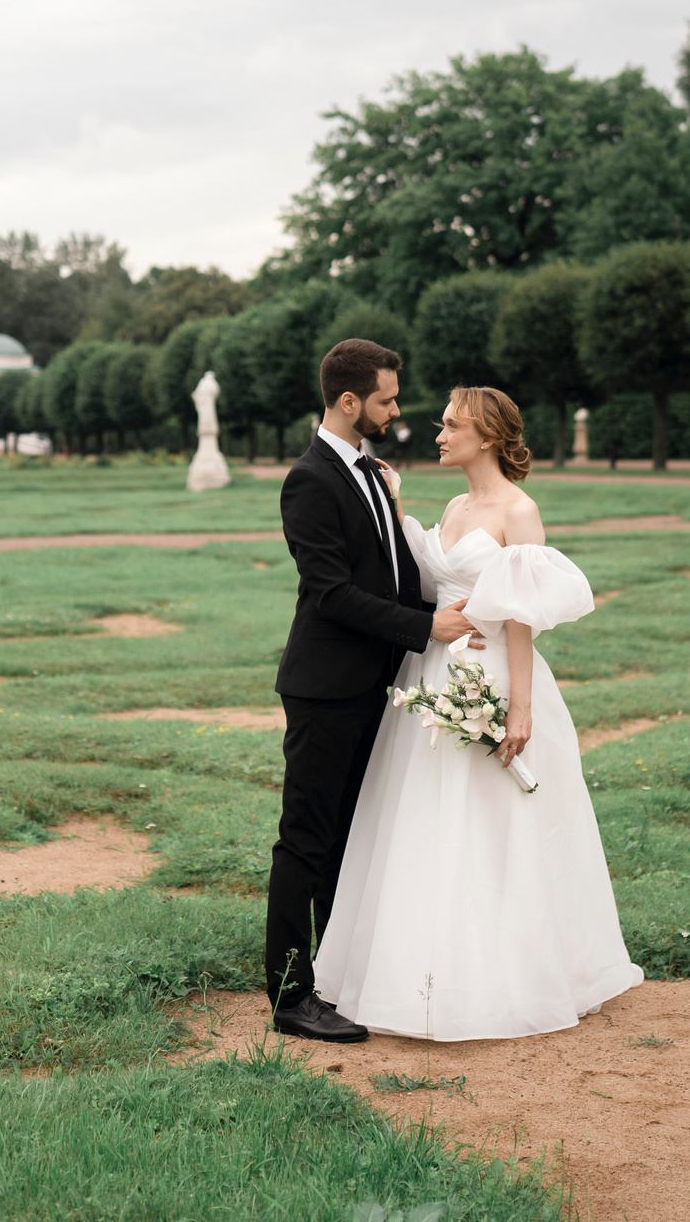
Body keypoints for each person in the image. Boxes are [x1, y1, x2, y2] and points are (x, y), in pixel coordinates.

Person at [315, 385, 643, 1040]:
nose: (438, 434)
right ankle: (417, 972)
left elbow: (519, 619)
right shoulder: (455, 503)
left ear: (487, 435)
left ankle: (513, 975)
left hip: (494, 675)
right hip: (431, 680)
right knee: (424, 823)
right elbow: (426, 580)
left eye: (451, 425)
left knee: (496, 828)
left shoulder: (519, 511)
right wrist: (397, 502)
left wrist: (518, 707)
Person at [267, 340, 483, 1043]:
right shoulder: (310, 480)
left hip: (376, 686)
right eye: (388, 397)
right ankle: (290, 994)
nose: (397, 408)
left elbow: (388, 570)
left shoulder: (371, 473)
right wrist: (428, 627)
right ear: (350, 401)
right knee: (305, 840)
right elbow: (331, 594)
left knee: (347, 840)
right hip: (326, 688)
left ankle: (333, 976)